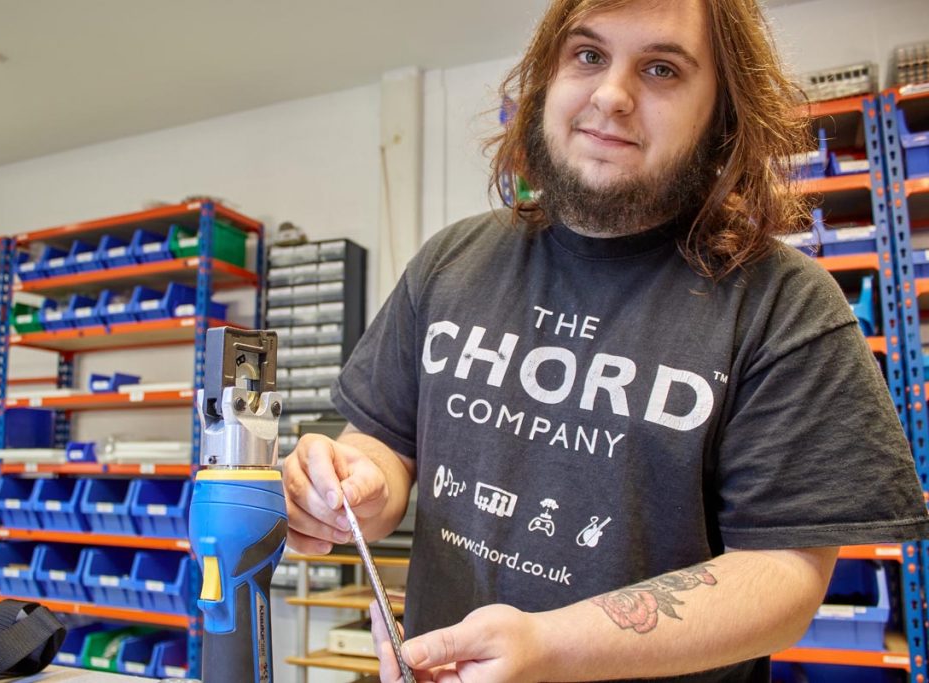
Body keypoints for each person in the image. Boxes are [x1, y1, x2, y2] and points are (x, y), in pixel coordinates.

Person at [282, 0, 929, 680]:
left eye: (661, 68)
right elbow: (382, 441)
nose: (612, 95)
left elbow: (785, 577)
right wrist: (353, 487)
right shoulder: (452, 260)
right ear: (546, 80)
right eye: (588, 55)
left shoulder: (782, 304)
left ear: (723, 113)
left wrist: (552, 646)